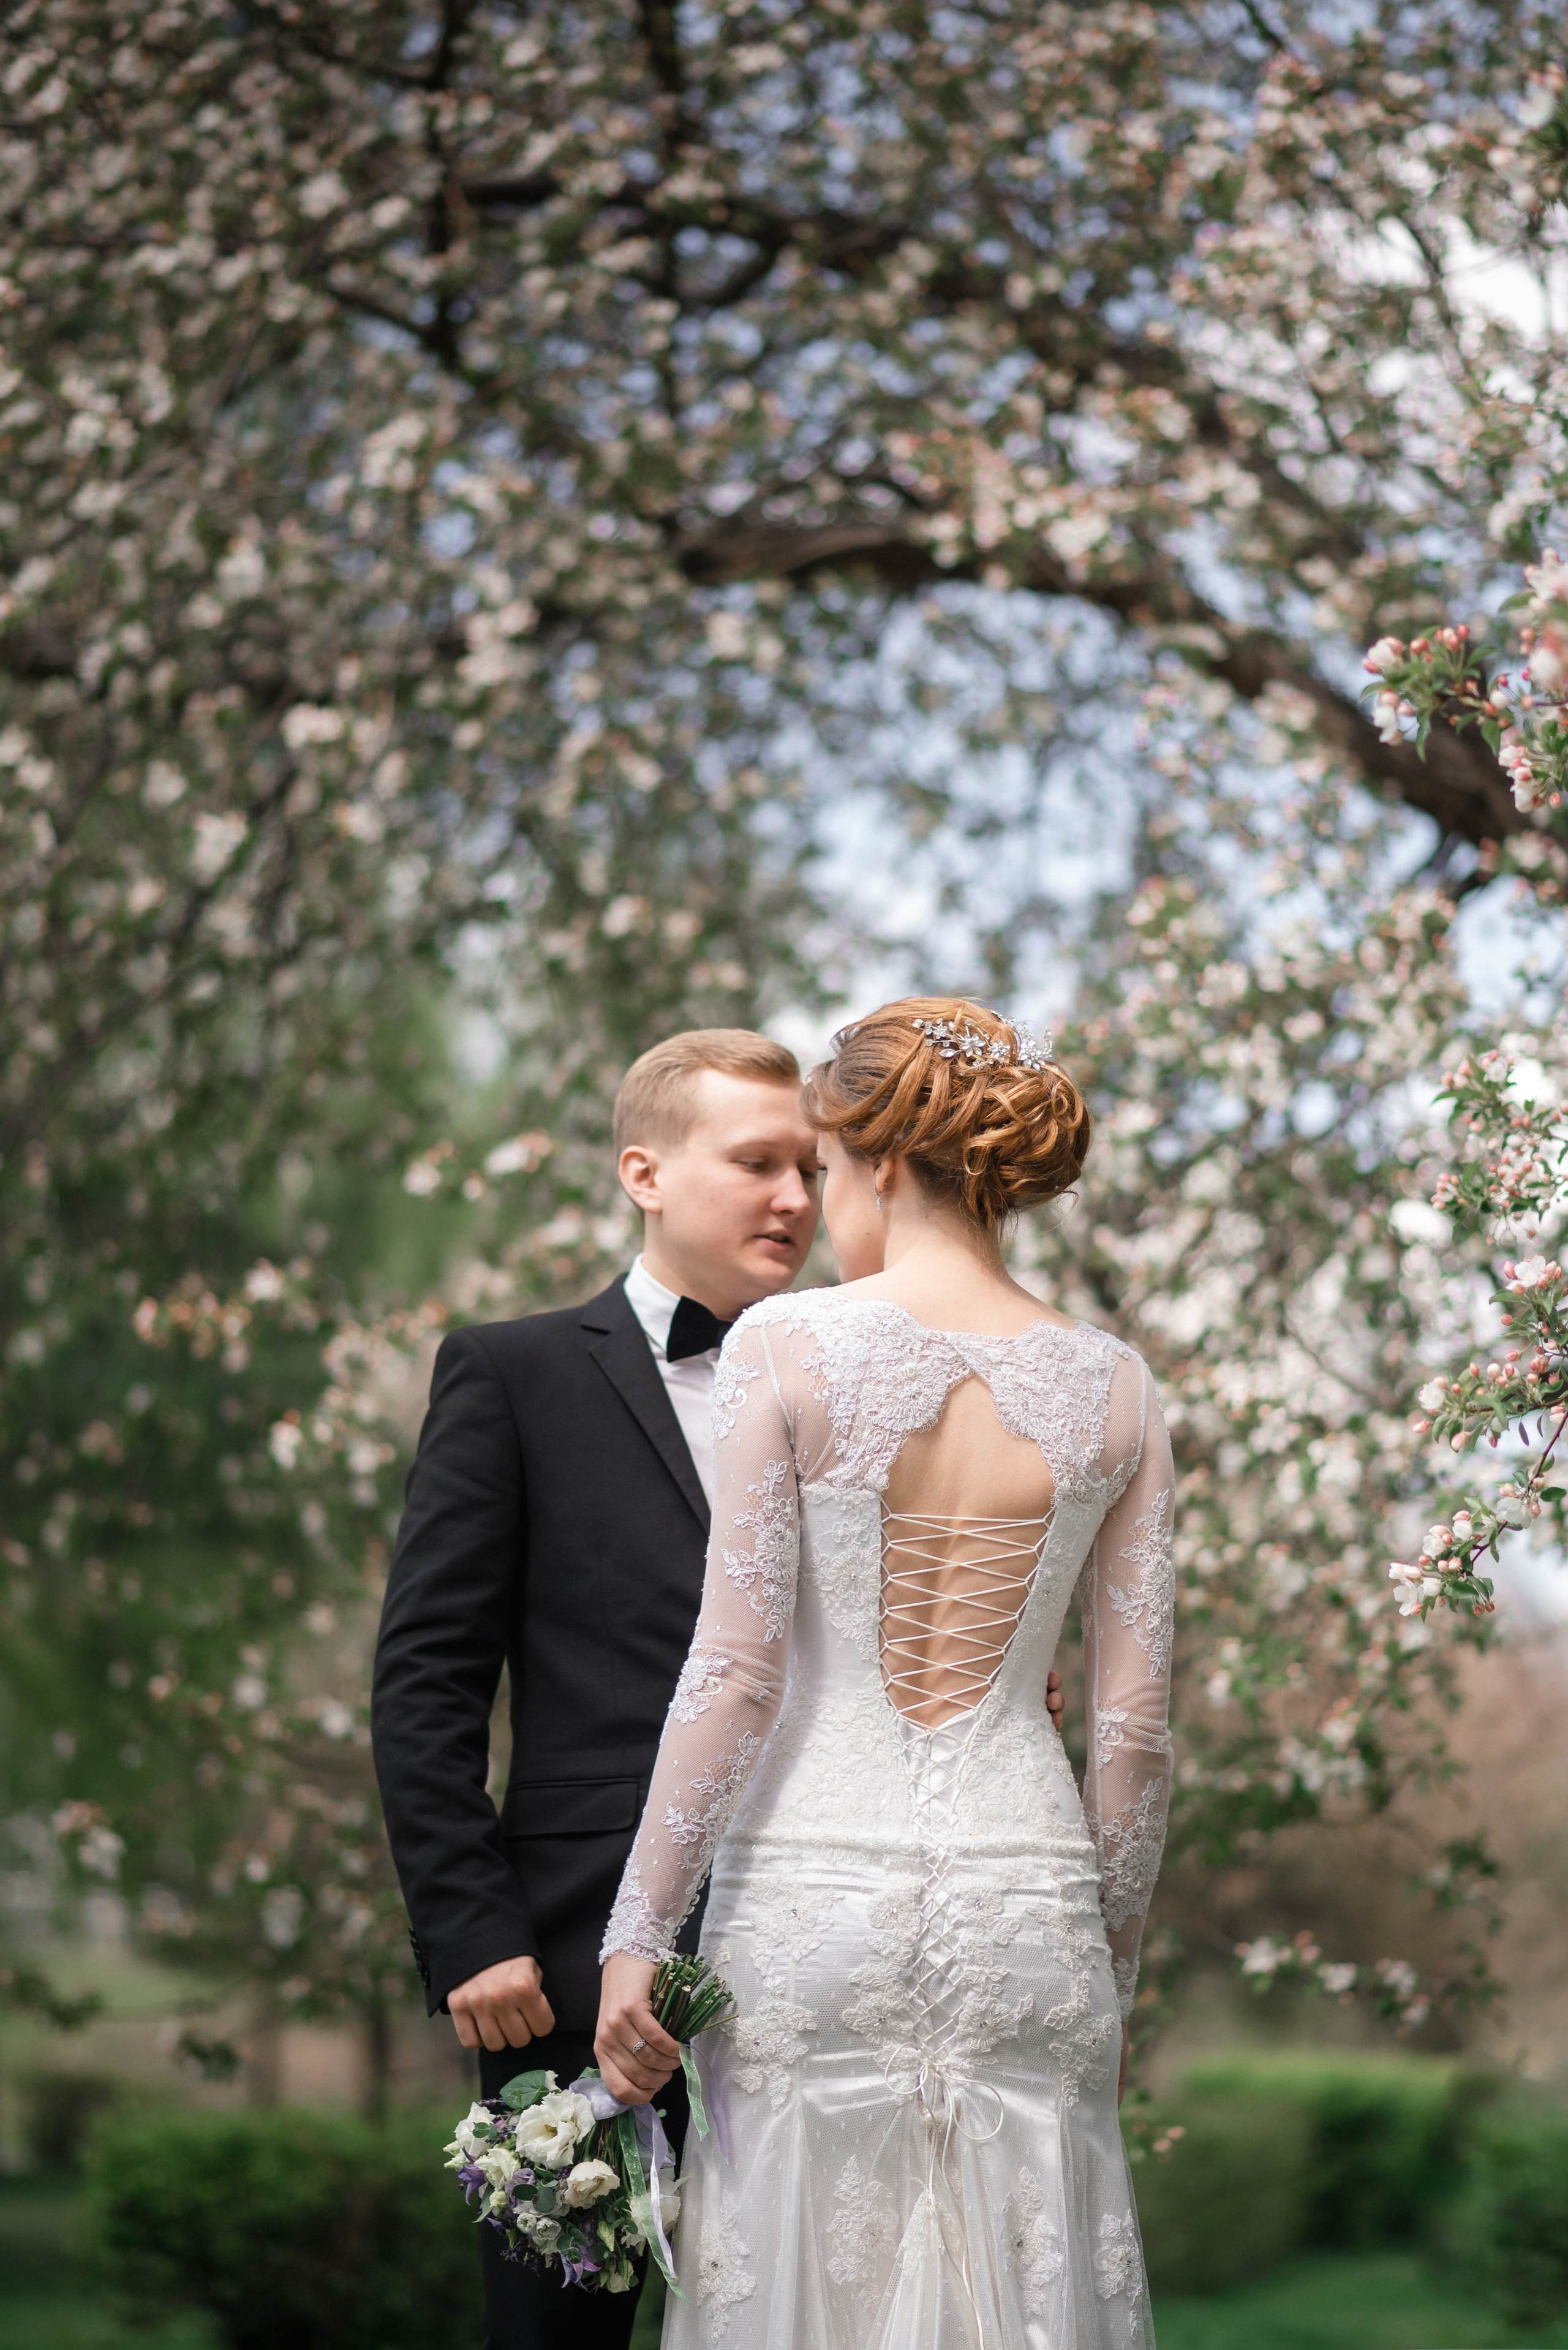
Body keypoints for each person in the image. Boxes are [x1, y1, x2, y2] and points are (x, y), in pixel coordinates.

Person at [597, 997, 1175, 2350]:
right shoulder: (1115, 1388)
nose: (810, 1199)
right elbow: (1134, 1731)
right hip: (1028, 1899)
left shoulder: (786, 1347)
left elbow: (732, 1672)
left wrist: (638, 1930)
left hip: (809, 1897)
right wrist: (1112, 1967)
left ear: (874, 1157)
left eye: (820, 1164)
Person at [371, 1029, 822, 2350]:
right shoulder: (510, 1375)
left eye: (808, 1165)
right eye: (756, 1162)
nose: (794, 1197)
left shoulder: (853, 1386)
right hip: (564, 1962)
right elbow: (425, 1675)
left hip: (817, 1938)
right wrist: (469, 1925)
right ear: (644, 1171)